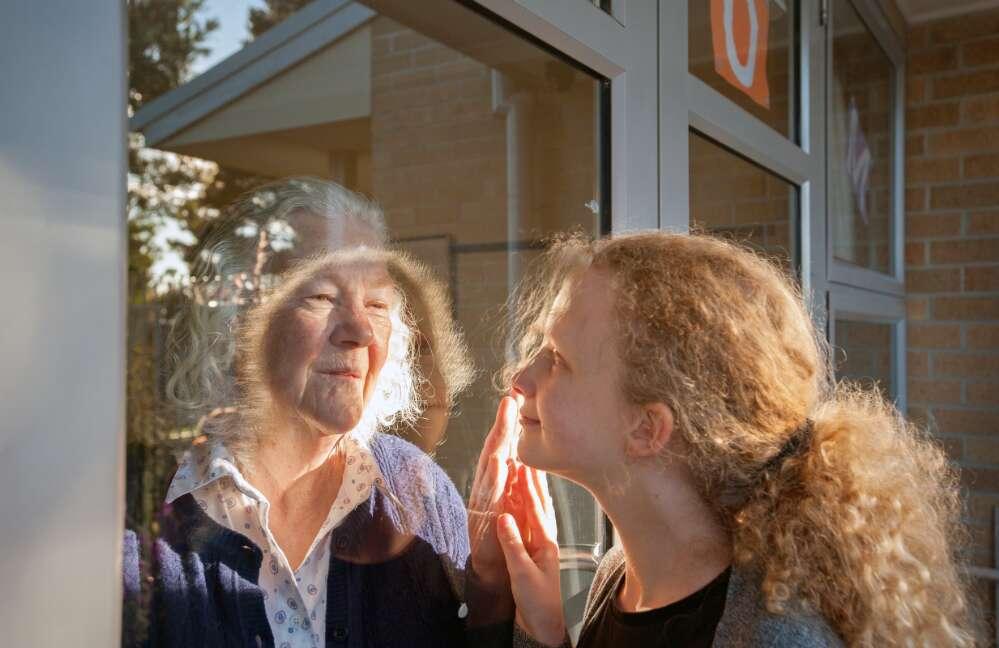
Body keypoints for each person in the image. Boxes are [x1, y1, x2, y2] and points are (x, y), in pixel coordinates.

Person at [471, 231, 977, 647]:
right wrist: (545, 634)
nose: (521, 377)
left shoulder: (771, 637)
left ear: (649, 428)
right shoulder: (622, 575)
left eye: (558, 359)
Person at [122, 179, 476, 648]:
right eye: (322, 296)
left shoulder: (420, 492)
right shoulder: (129, 516)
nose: (360, 331)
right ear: (236, 320)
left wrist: (503, 612)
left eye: (376, 304)